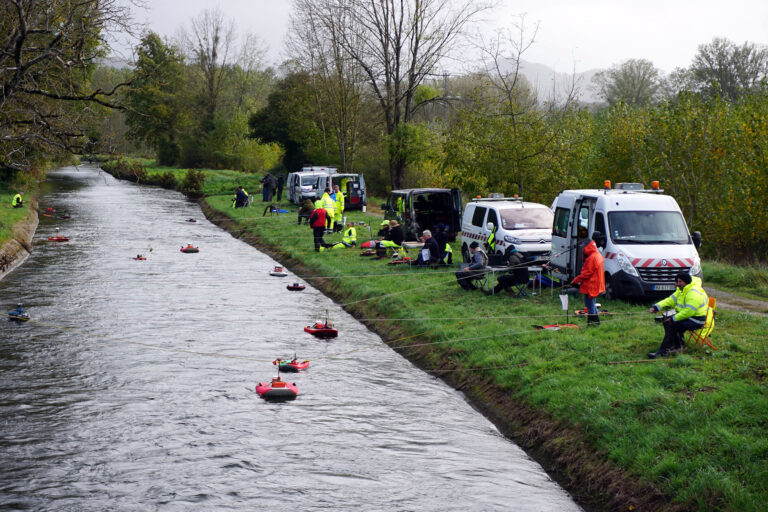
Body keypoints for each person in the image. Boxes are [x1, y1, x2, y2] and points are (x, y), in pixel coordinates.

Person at [647, 272, 709, 359]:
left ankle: (663, 351)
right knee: (667, 321)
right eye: (677, 281)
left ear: (686, 282)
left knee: (671, 324)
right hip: (689, 317)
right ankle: (678, 346)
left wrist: (673, 318)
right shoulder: (681, 290)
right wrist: (656, 307)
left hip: (696, 320)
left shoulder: (693, 293)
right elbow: (670, 300)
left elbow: (689, 312)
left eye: (680, 281)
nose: (678, 284)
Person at [569, 238, 605, 325]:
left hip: (591, 285)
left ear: (587, 247)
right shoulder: (597, 254)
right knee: (592, 304)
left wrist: (575, 281)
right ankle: (595, 322)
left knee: (589, 305)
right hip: (596, 284)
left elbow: (586, 274)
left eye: (584, 247)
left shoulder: (592, 258)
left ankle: (593, 323)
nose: (583, 250)